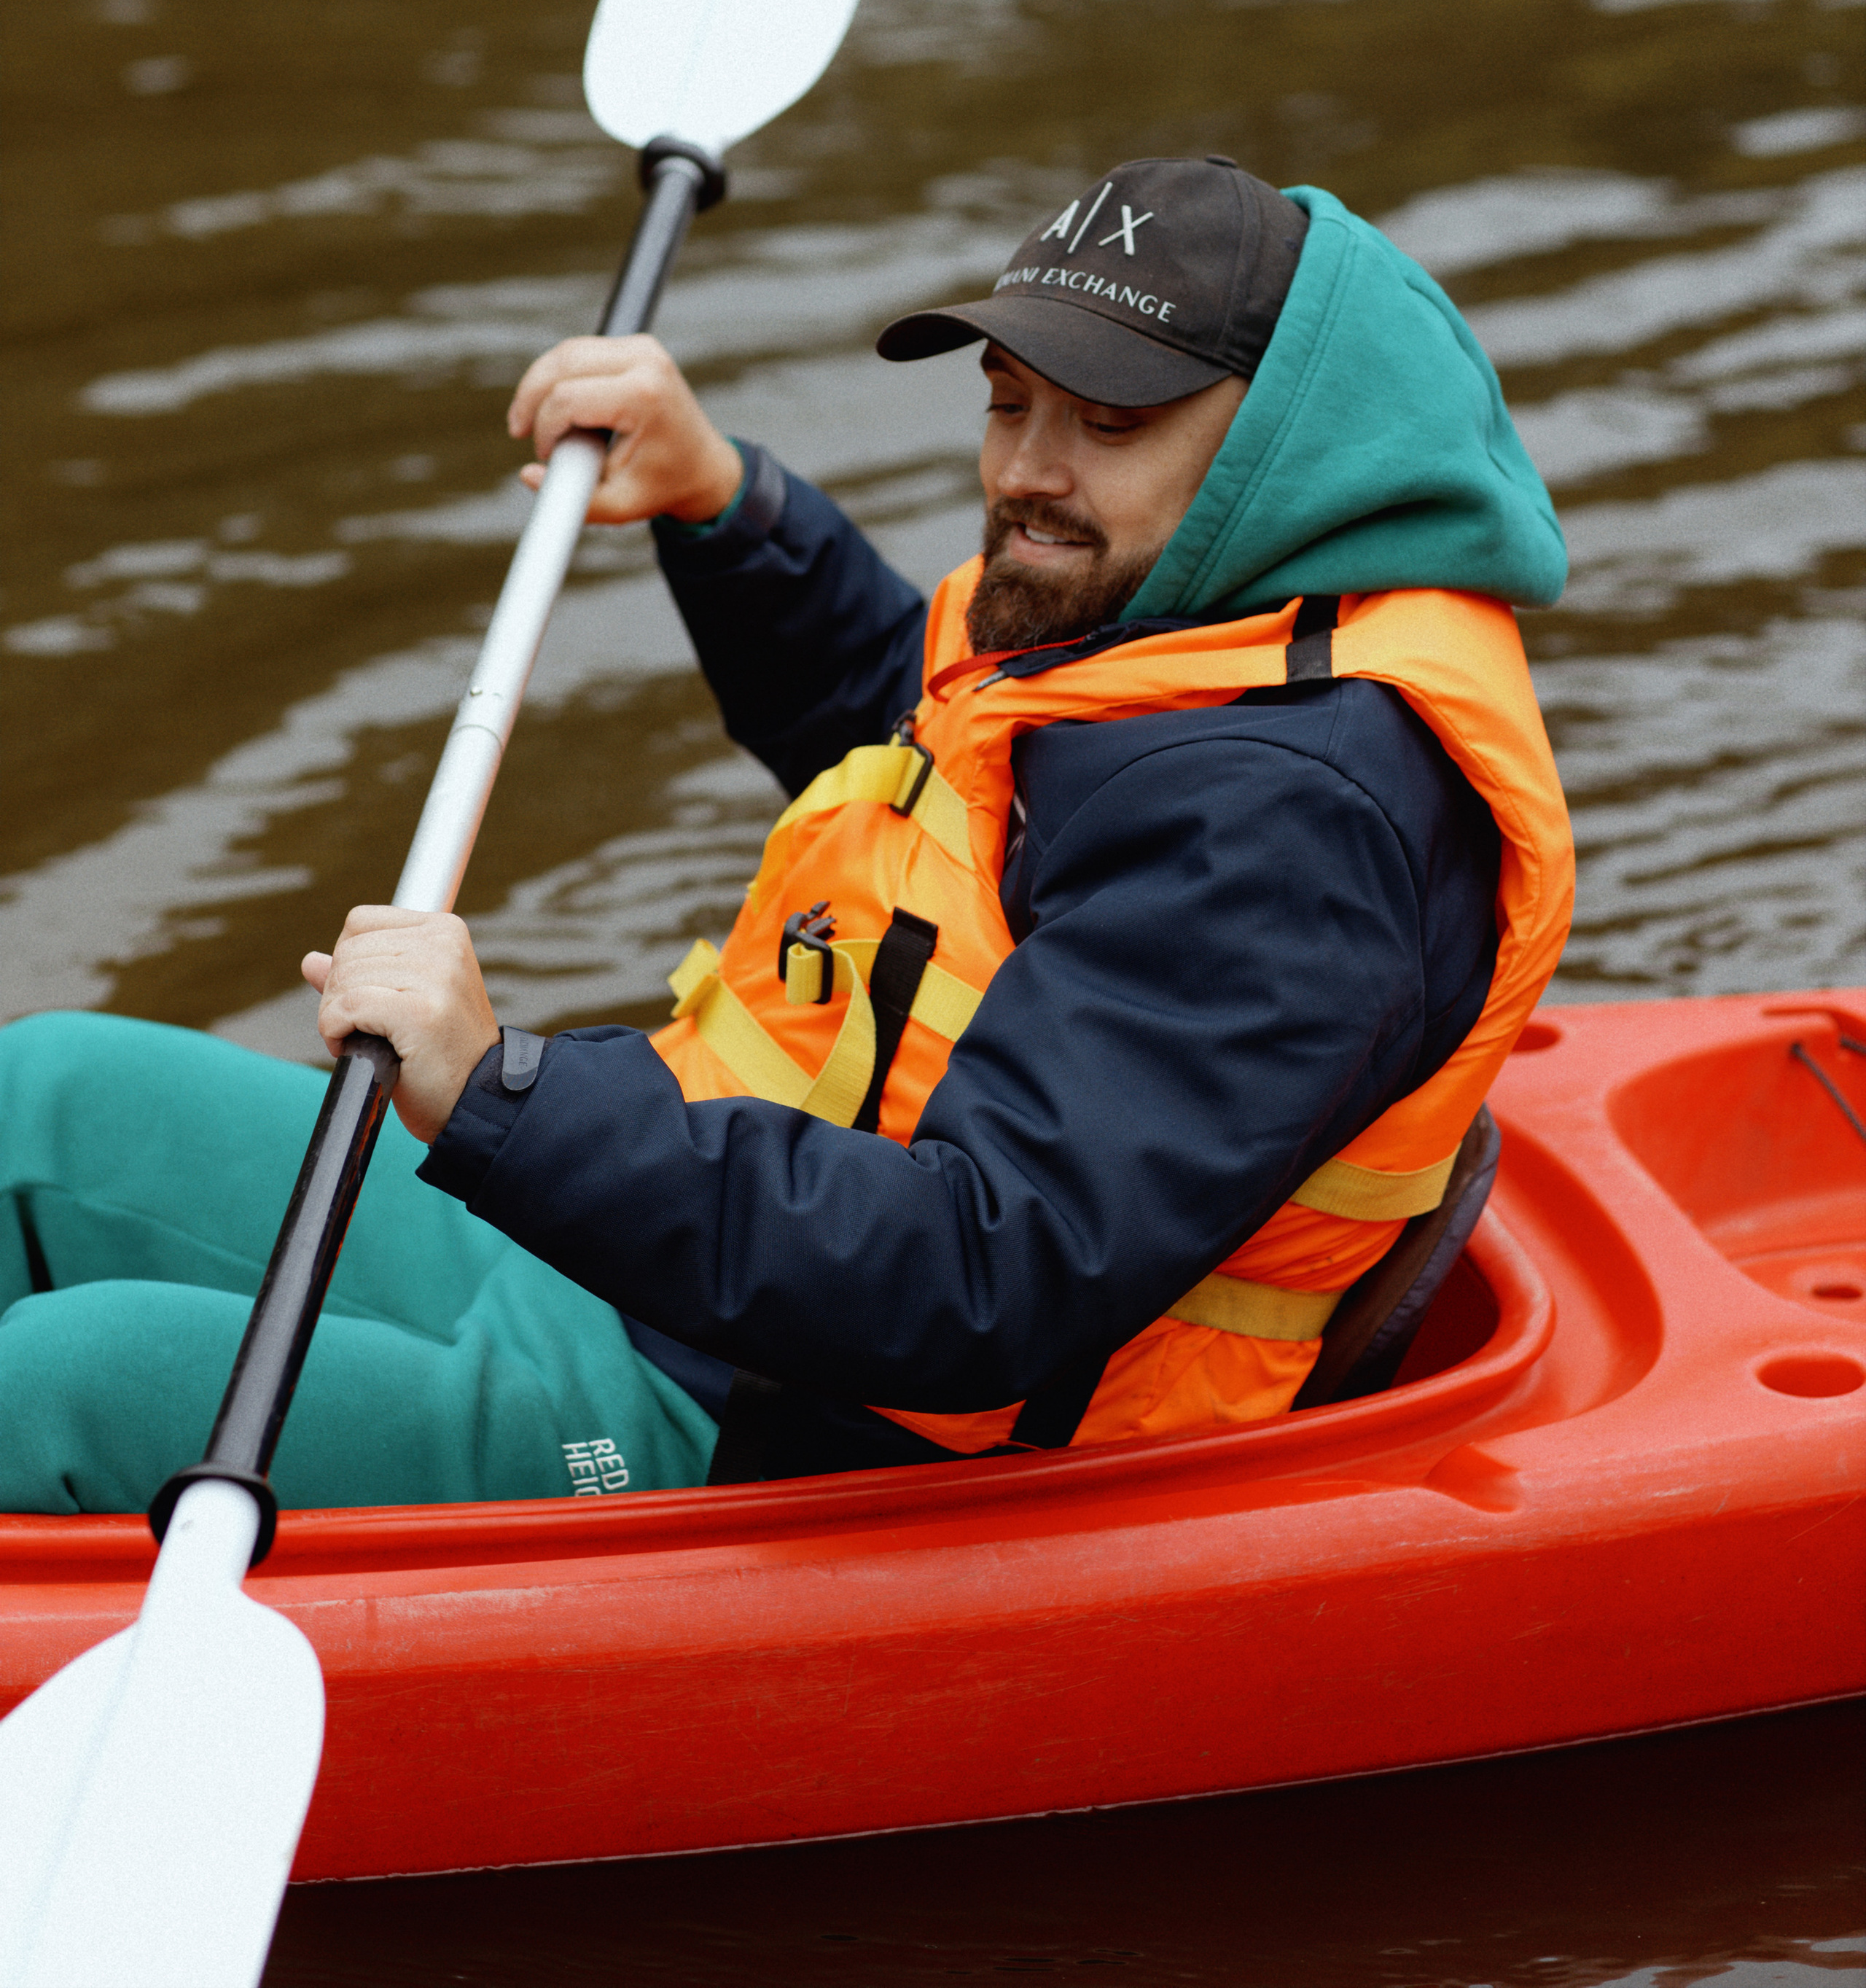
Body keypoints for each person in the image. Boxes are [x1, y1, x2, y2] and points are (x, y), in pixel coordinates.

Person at [0, 157, 1572, 1510]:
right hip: (681, 1264)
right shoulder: (1167, 625)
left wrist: (502, 1095)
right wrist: (721, 505)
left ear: (1277, 448)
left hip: (809, 1422)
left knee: (61, 1391)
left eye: (1107, 421)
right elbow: (903, 749)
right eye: (1008, 404)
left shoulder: (1289, 839)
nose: (1026, 470)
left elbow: (983, 1277)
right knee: (45, 1100)